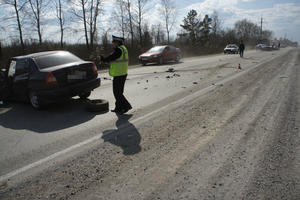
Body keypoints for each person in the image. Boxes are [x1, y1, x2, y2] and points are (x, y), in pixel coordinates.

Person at [100, 35, 132, 114]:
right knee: (119, 92)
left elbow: (111, 57)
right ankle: (118, 108)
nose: (113, 44)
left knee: (117, 92)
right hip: (122, 73)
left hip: (119, 74)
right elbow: (115, 58)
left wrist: (103, 59)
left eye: (114, 42)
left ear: (117, 42)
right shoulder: (123, 48)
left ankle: (126, 106)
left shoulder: (119, 50)